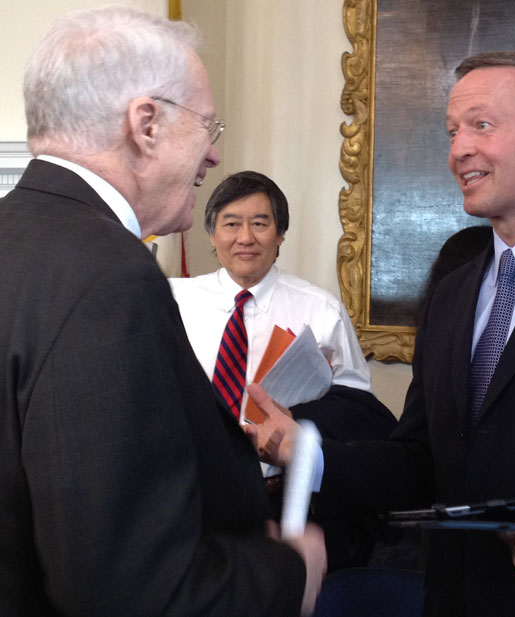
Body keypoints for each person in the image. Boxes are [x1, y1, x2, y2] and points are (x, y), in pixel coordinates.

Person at [247, 51, 515, 616]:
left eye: (481, 125)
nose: (459, 149)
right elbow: (420, 461)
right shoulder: (452, 294)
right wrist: (309, 455)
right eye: (453, 131)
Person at [0, 6, 326, 616]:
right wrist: (289, 573)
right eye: (208, 126)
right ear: (145, 124)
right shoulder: (107, 276)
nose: (213, 155)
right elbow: (133, 588)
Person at [169, 170, 397, 570]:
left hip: (278, 497)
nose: (245, 238)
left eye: (260, 224)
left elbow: (359, 411)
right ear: (212, 234)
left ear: (280, 235)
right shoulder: (176, 301)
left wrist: (298, 416)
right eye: (231, 224)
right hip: (190, 497)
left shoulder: (320, 310)